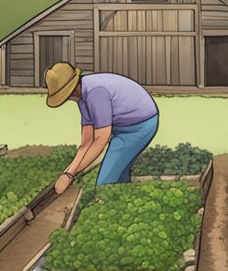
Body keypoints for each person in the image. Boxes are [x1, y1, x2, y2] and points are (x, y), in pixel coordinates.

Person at [44, 62, 160, 194]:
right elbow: (86, 142)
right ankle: (124, 199)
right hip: (122, 125)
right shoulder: (82, 98)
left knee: (105, 182)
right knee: (119, 171)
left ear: (73, 88)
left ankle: (107, 203)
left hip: (140, 125)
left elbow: (101, 139)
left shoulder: (95, 93)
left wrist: (70, 175)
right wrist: (67, 173)